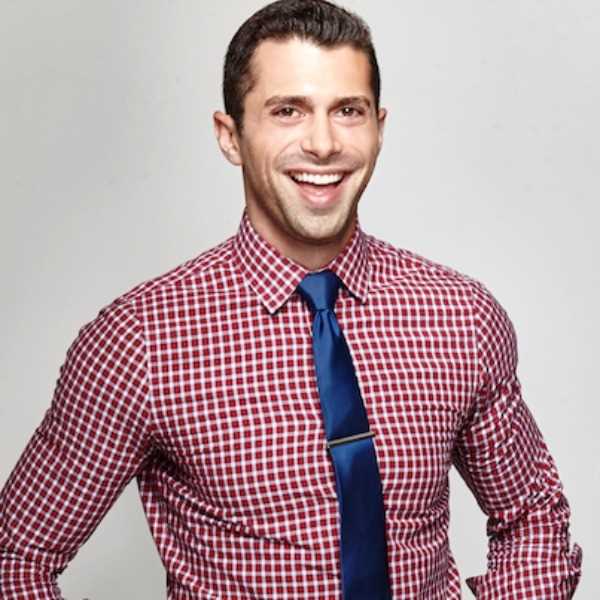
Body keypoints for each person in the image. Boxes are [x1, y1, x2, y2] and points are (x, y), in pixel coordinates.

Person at [0, 0, 582, 598]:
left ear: (379, 128)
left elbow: (532, 517)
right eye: (288, 111)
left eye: (348, 111)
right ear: (231, 136)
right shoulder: (141, 340)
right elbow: (16, 558)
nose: (323, 144)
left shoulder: (461, 317)